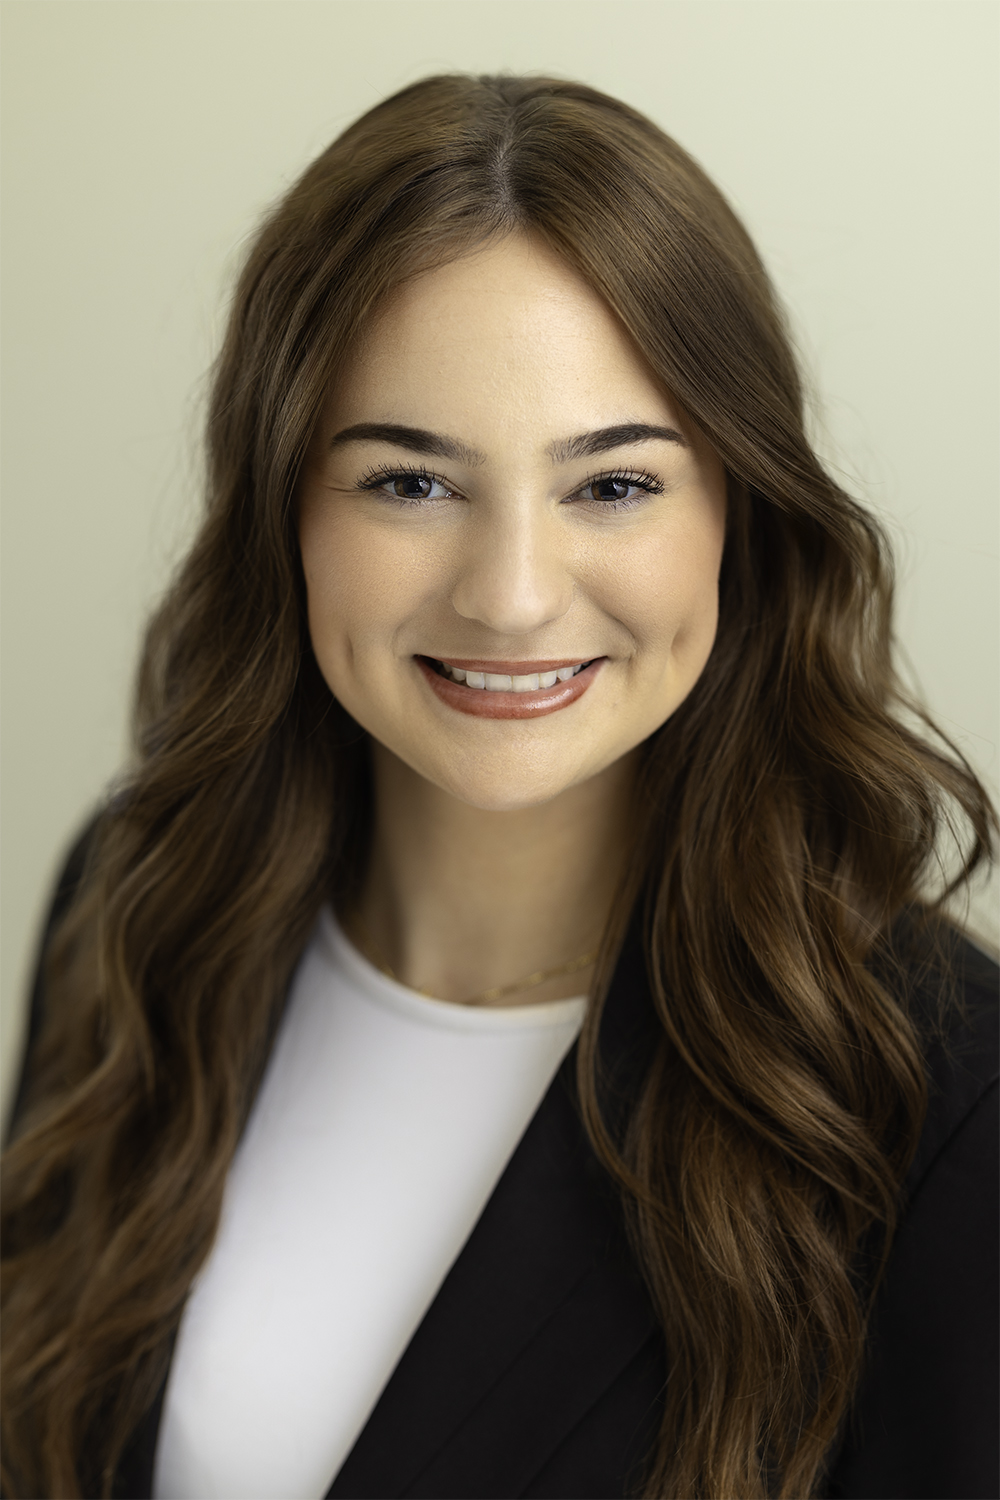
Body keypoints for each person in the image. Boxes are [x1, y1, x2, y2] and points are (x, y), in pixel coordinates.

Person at [2, 72, 997, 1500]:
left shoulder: (942, 1101)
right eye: (411, 482)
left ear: (740, 513)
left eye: (614, 485)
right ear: (284, 507)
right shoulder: (134, 900)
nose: (513, 597)